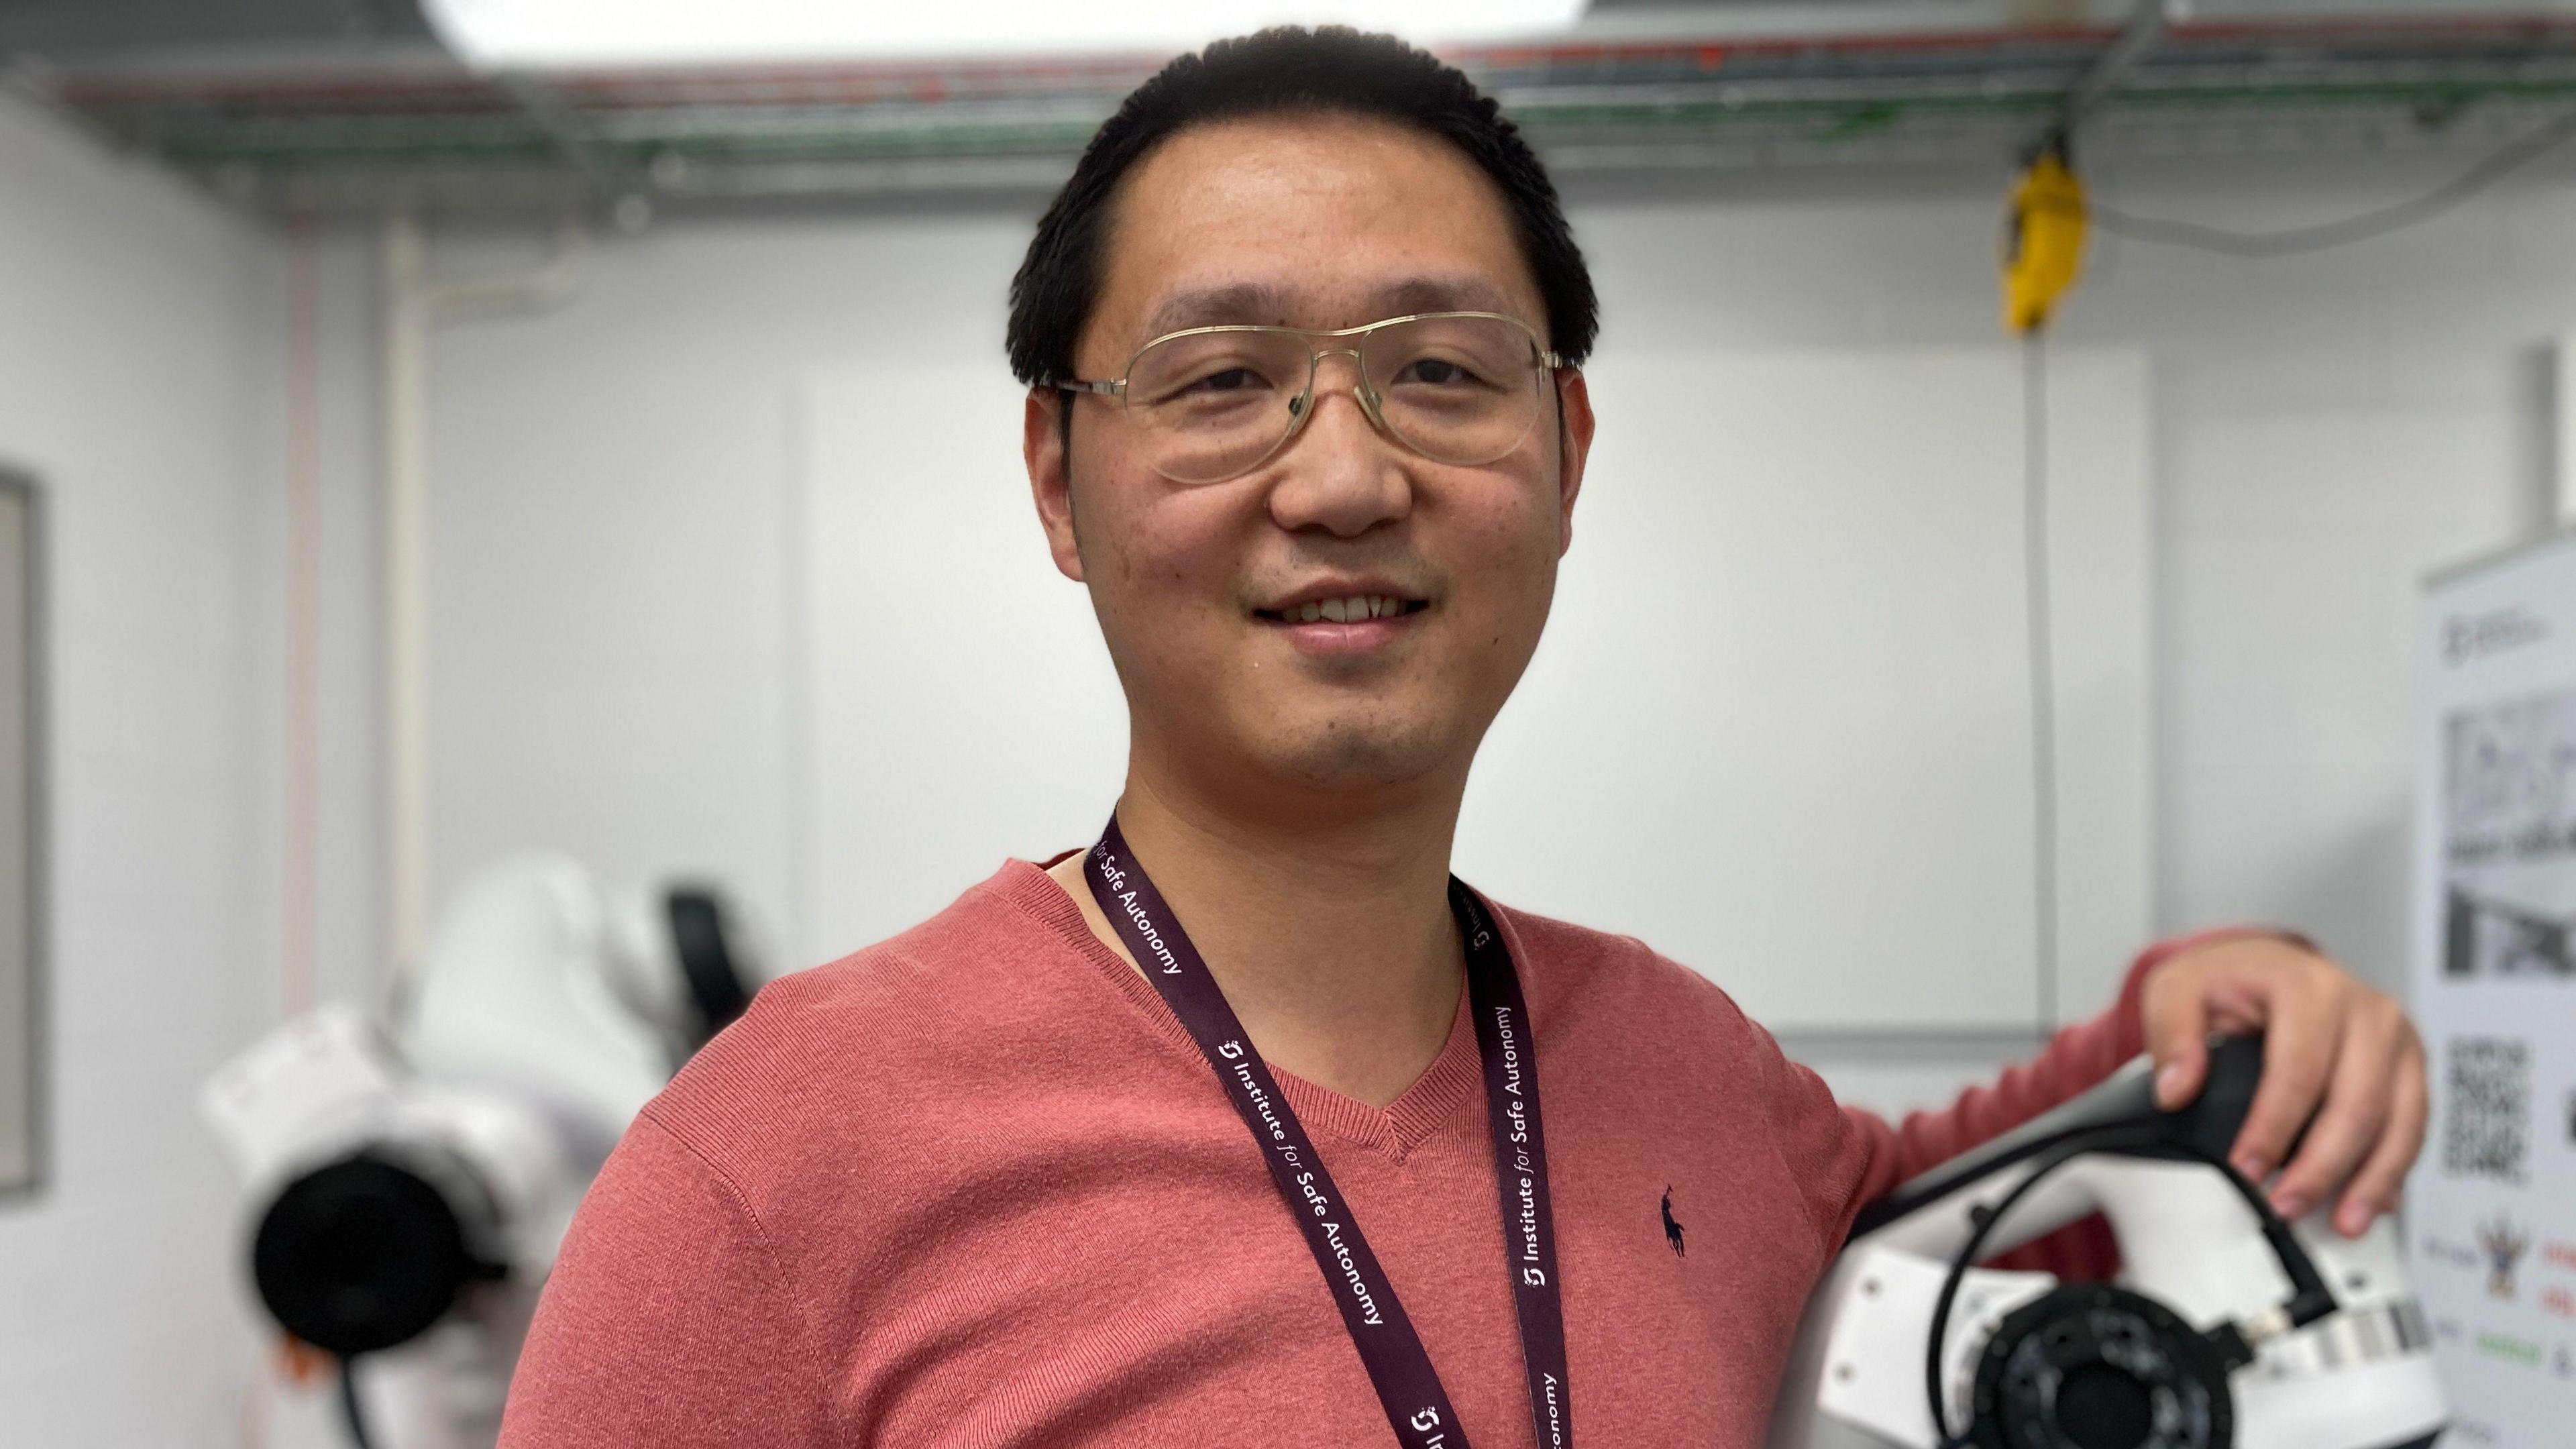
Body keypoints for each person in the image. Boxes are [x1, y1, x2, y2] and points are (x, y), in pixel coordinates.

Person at [495, 28, 2427, 1448]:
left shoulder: (1682, 1067)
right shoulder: (779, 1166)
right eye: (1223, 381)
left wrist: (2221, 997)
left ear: (1567, 457)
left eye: (1438, 373)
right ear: (1058, 481)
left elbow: (1947, 1198)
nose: (1343, 476)